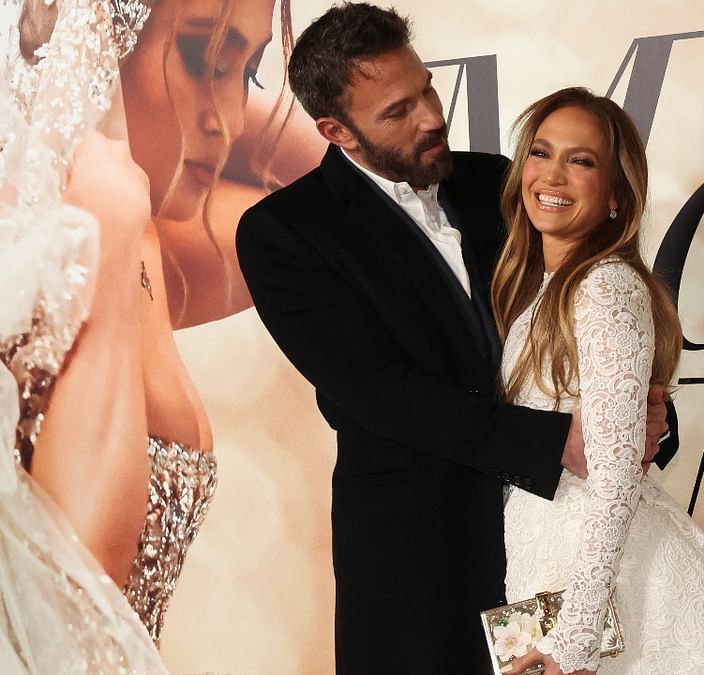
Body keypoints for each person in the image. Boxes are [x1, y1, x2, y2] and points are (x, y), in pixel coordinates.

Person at [234, 4, 674, 673]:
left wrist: (641, 418)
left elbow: (591, 312)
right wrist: (558, 442)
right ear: (335, 130)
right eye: (396, 112)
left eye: (426, 91)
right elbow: (378, 391)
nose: (431, 118)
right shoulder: (285, 233)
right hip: (415, 559)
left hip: (544, 543)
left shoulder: (495, 181)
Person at [1, 0, 295, 654]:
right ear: (101, 38)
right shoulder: (26, 239)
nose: (233, 118)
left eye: (245, 74)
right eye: (204, 60)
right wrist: (105, 211)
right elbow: (72, 618)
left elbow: (334, 196)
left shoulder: (144, 237)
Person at [496, 88, 704, 675]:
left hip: (625, 614)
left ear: (616, 195)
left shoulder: (606, 287)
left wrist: (574, 638)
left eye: (582, 160)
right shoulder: (538, 292)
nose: (553, 175)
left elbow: (615, 477)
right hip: (562, 587)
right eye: (541, 153)